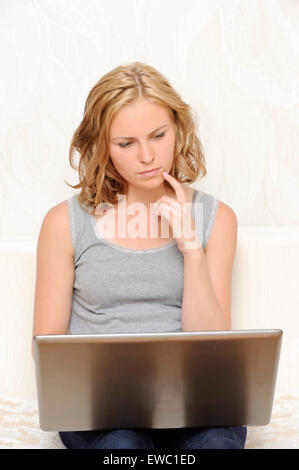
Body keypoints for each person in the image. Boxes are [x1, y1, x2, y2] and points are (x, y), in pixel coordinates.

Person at [31, 61, 247, 449]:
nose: (147, 155)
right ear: (102, 146)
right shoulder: (64, 224)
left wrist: (191, 250)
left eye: (158, 135)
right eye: (126, 143)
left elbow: (212, 345)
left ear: (178, 130)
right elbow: (49, 354)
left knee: (216, 443)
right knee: (122, 445)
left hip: (195, 406)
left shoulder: (218, 218)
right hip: (99, 411)